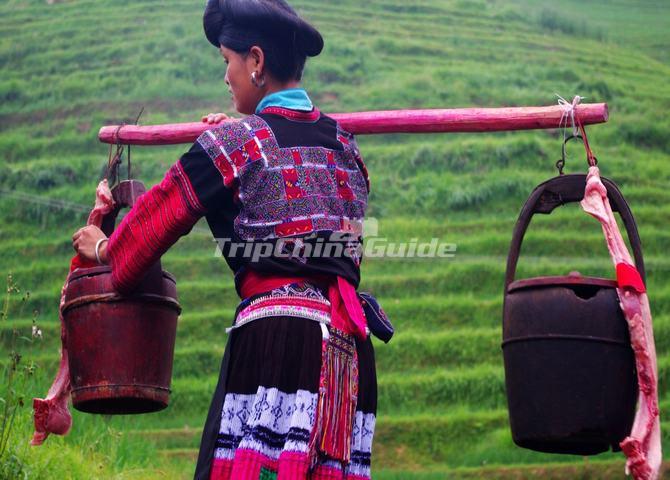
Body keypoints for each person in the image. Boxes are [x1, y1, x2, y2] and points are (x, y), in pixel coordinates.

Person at [72, 0, 377, 478]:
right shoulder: (347, 147)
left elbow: (158, 218)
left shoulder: (237, 144)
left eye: (227, 62)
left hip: (279, 345)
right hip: (348, 351)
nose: (226, 77)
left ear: (255, 61)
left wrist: (105, 247)